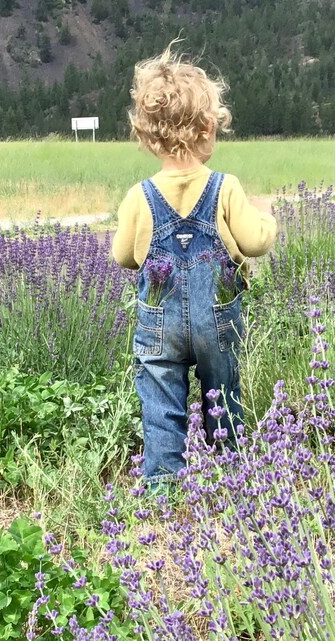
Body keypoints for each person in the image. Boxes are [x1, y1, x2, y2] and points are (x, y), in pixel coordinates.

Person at [112, 43, 276, 485]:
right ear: (208, 126)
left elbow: (124, 256)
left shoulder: (139, 196)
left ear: (148, 137)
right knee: (222, 393)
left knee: (161, 402)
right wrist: (266, 216)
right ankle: (229, 475)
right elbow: (256, 242)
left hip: (158, 325)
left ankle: (164, 486)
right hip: (216, 322)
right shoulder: (225, 187)